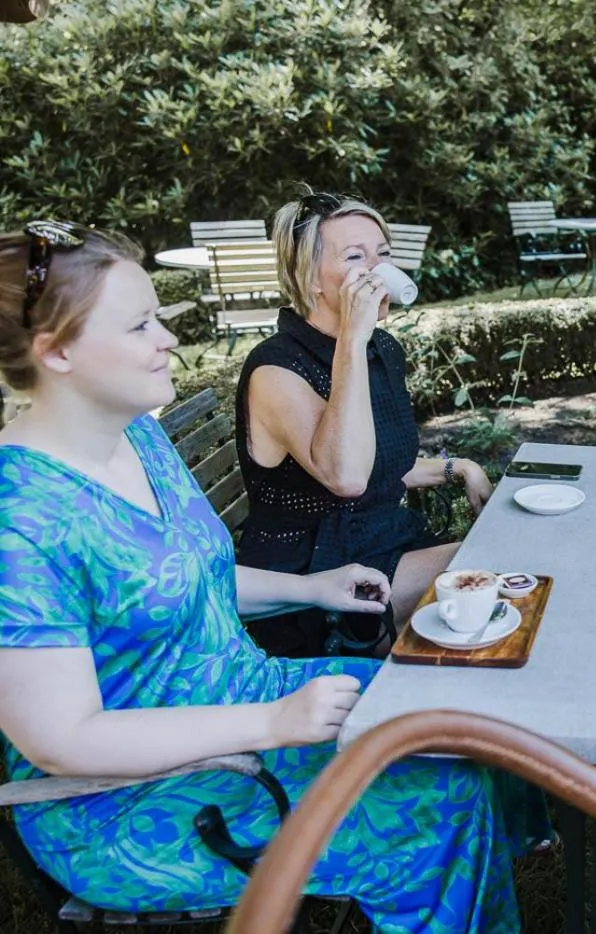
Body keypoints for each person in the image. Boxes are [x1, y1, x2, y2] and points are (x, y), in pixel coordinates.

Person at [0, 222, 537, 931]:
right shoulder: (21, 517)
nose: (168, 339)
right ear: (56, 351)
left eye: (158, 318)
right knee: (436, 800)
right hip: (138, 800)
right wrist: (272, 721)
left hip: (241, 700)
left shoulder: (136, 435)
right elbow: (60, 739)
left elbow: (187, 579)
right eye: (139, 326)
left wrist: (311, 587)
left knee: (449, 710)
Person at [235, 190, 492, 657]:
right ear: (311, 279)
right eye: (355, 257)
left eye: (384, 255)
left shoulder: (381, 349)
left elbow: (381, 461)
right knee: (494, 568)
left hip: (378, 540)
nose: (377, 271)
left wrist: (461, 467)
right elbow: (349, 477)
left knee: (505, 565)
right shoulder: (276, 370)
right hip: (311, 572)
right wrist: (352, 338)